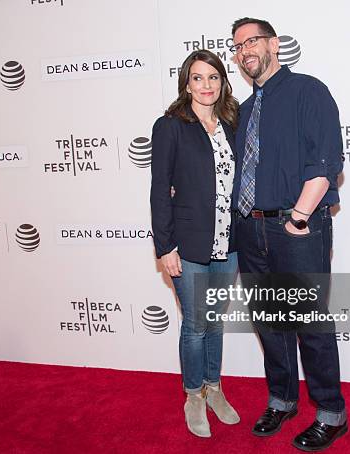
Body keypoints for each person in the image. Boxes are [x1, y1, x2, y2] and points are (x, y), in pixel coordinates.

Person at [229, 18, 347, 451]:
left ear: (274, 44)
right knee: (269, 323)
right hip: (249, 228)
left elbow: (325, 160)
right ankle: (281, 399)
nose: (245, 51)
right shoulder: (241, 111)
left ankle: (332, 413)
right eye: (238, 46)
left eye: (253, 41)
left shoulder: (308, 91)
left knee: (309, 324)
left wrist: (298, 217)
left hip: (295, 226)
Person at [150, 49, 240, 438]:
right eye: (198, 78)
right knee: (196, 324)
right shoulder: (170, 126)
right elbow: (159, 192)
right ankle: (193, 396)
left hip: (229, 241)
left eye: (213, 78)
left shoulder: (232, 124)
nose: (206, 86)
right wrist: (165, 247)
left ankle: (214, 387)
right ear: (186, 83)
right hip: (188, 244)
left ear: (223, 82)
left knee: (215, 321)